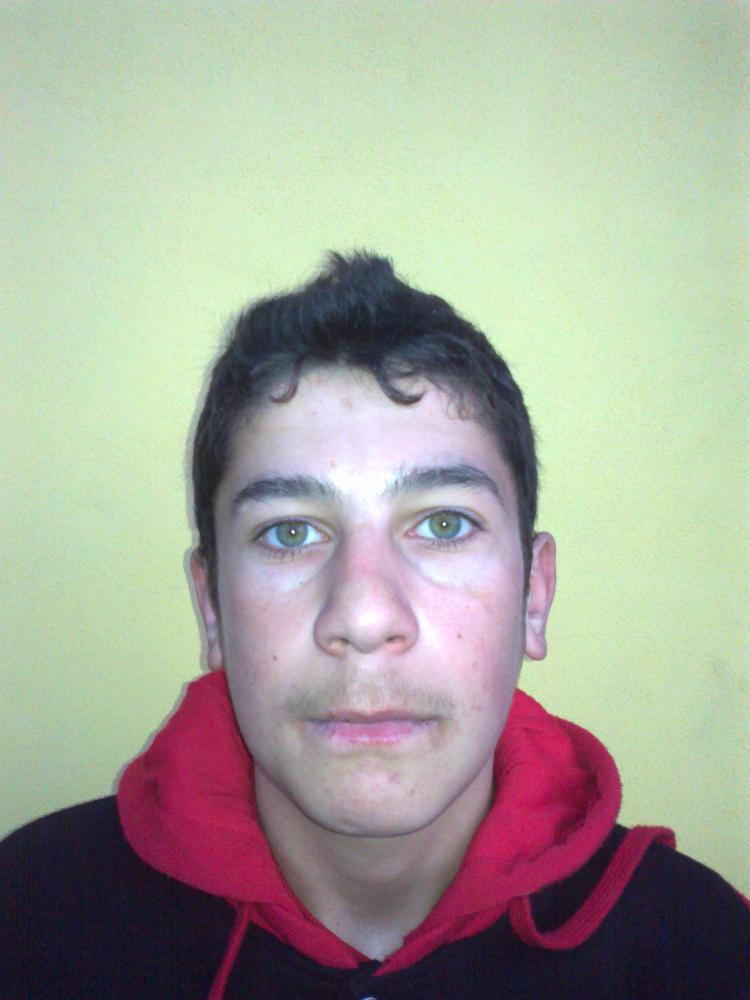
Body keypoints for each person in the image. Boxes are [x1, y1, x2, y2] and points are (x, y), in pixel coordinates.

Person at [2, 253, 748, 999]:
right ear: (212, 610)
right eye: (290, 532)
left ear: (534, 595)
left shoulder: (705, 952)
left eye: (445, 524)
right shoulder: (29, 920)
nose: (363, 618)